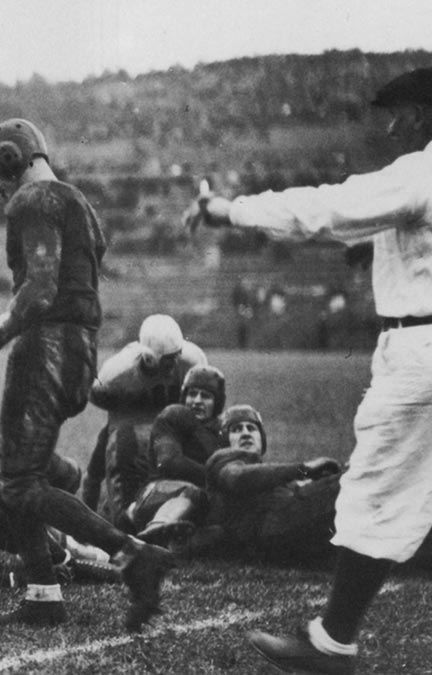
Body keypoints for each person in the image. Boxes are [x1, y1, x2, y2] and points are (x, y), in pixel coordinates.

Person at [185, 67, 432, 674]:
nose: (391, 125)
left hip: (420, 349)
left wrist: (227, 210)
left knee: (373, 492)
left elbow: (325, 210)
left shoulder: (420, 173)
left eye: (399, 113)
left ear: (424, 114)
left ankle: (332, 643)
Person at [0, 117, 174, 631]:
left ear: (10, 156)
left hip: (47, 346)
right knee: (8, 475)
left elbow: (41, 289)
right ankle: (43, 594)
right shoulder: (79, 203)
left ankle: (133, 554)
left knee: (19, 483)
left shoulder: (34, 200)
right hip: (75, 347)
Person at [82, 314, 208, 527]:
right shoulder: (116, 374)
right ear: (149, 357)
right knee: (105, 460)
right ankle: (89, 514)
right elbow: (98, 397)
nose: (175, 362)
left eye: (177, 354)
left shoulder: (192, 361)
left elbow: (202, 395)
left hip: (170, 418)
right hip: (129, 420)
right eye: (169, 358)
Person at [202, 405, 343, 562]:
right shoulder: (222, 460)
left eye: (251, 428)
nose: (246, 433)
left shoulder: (266, 473)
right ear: (224, 440)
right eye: (236, 429)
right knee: (352, 482)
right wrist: (304, 469)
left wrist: (320, 481)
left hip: (285, 531)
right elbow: (237, 478)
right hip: (269, 530)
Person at [124, 365, 227, 545]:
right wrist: (219, 477)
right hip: (158, 493)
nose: (196, 401)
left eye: (206, 396)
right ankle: (157, 527)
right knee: (192, 492)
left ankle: (180, 542)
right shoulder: (173, 417)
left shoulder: (222, 431)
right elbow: (170, 462)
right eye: (192, 394)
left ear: (217, 402)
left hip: (201, 502)